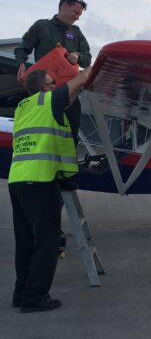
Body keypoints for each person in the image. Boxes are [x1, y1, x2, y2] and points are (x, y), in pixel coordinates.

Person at [8, 66, 91, 313]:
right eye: (53, 81)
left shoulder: (24, 106)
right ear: (45, 87)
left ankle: (21, 294)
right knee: (48, 243)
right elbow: (83, 78)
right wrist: (87, 65)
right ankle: (34, 298)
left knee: (25, 242)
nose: (57, 84)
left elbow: (71, 96)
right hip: (40, 180)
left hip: (18, 180)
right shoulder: (50, 100)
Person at [14, 0, 91, 145]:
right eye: (75, 12)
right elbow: (22, 48)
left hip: (69, 93)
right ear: (64, 6)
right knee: (42, 134)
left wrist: (78, 55)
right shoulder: (42, 26)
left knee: (70, 135)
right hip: (44, 93)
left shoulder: (76, 33)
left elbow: (87, 59)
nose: (77, 17)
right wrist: (21, 63)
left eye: (80, 14)